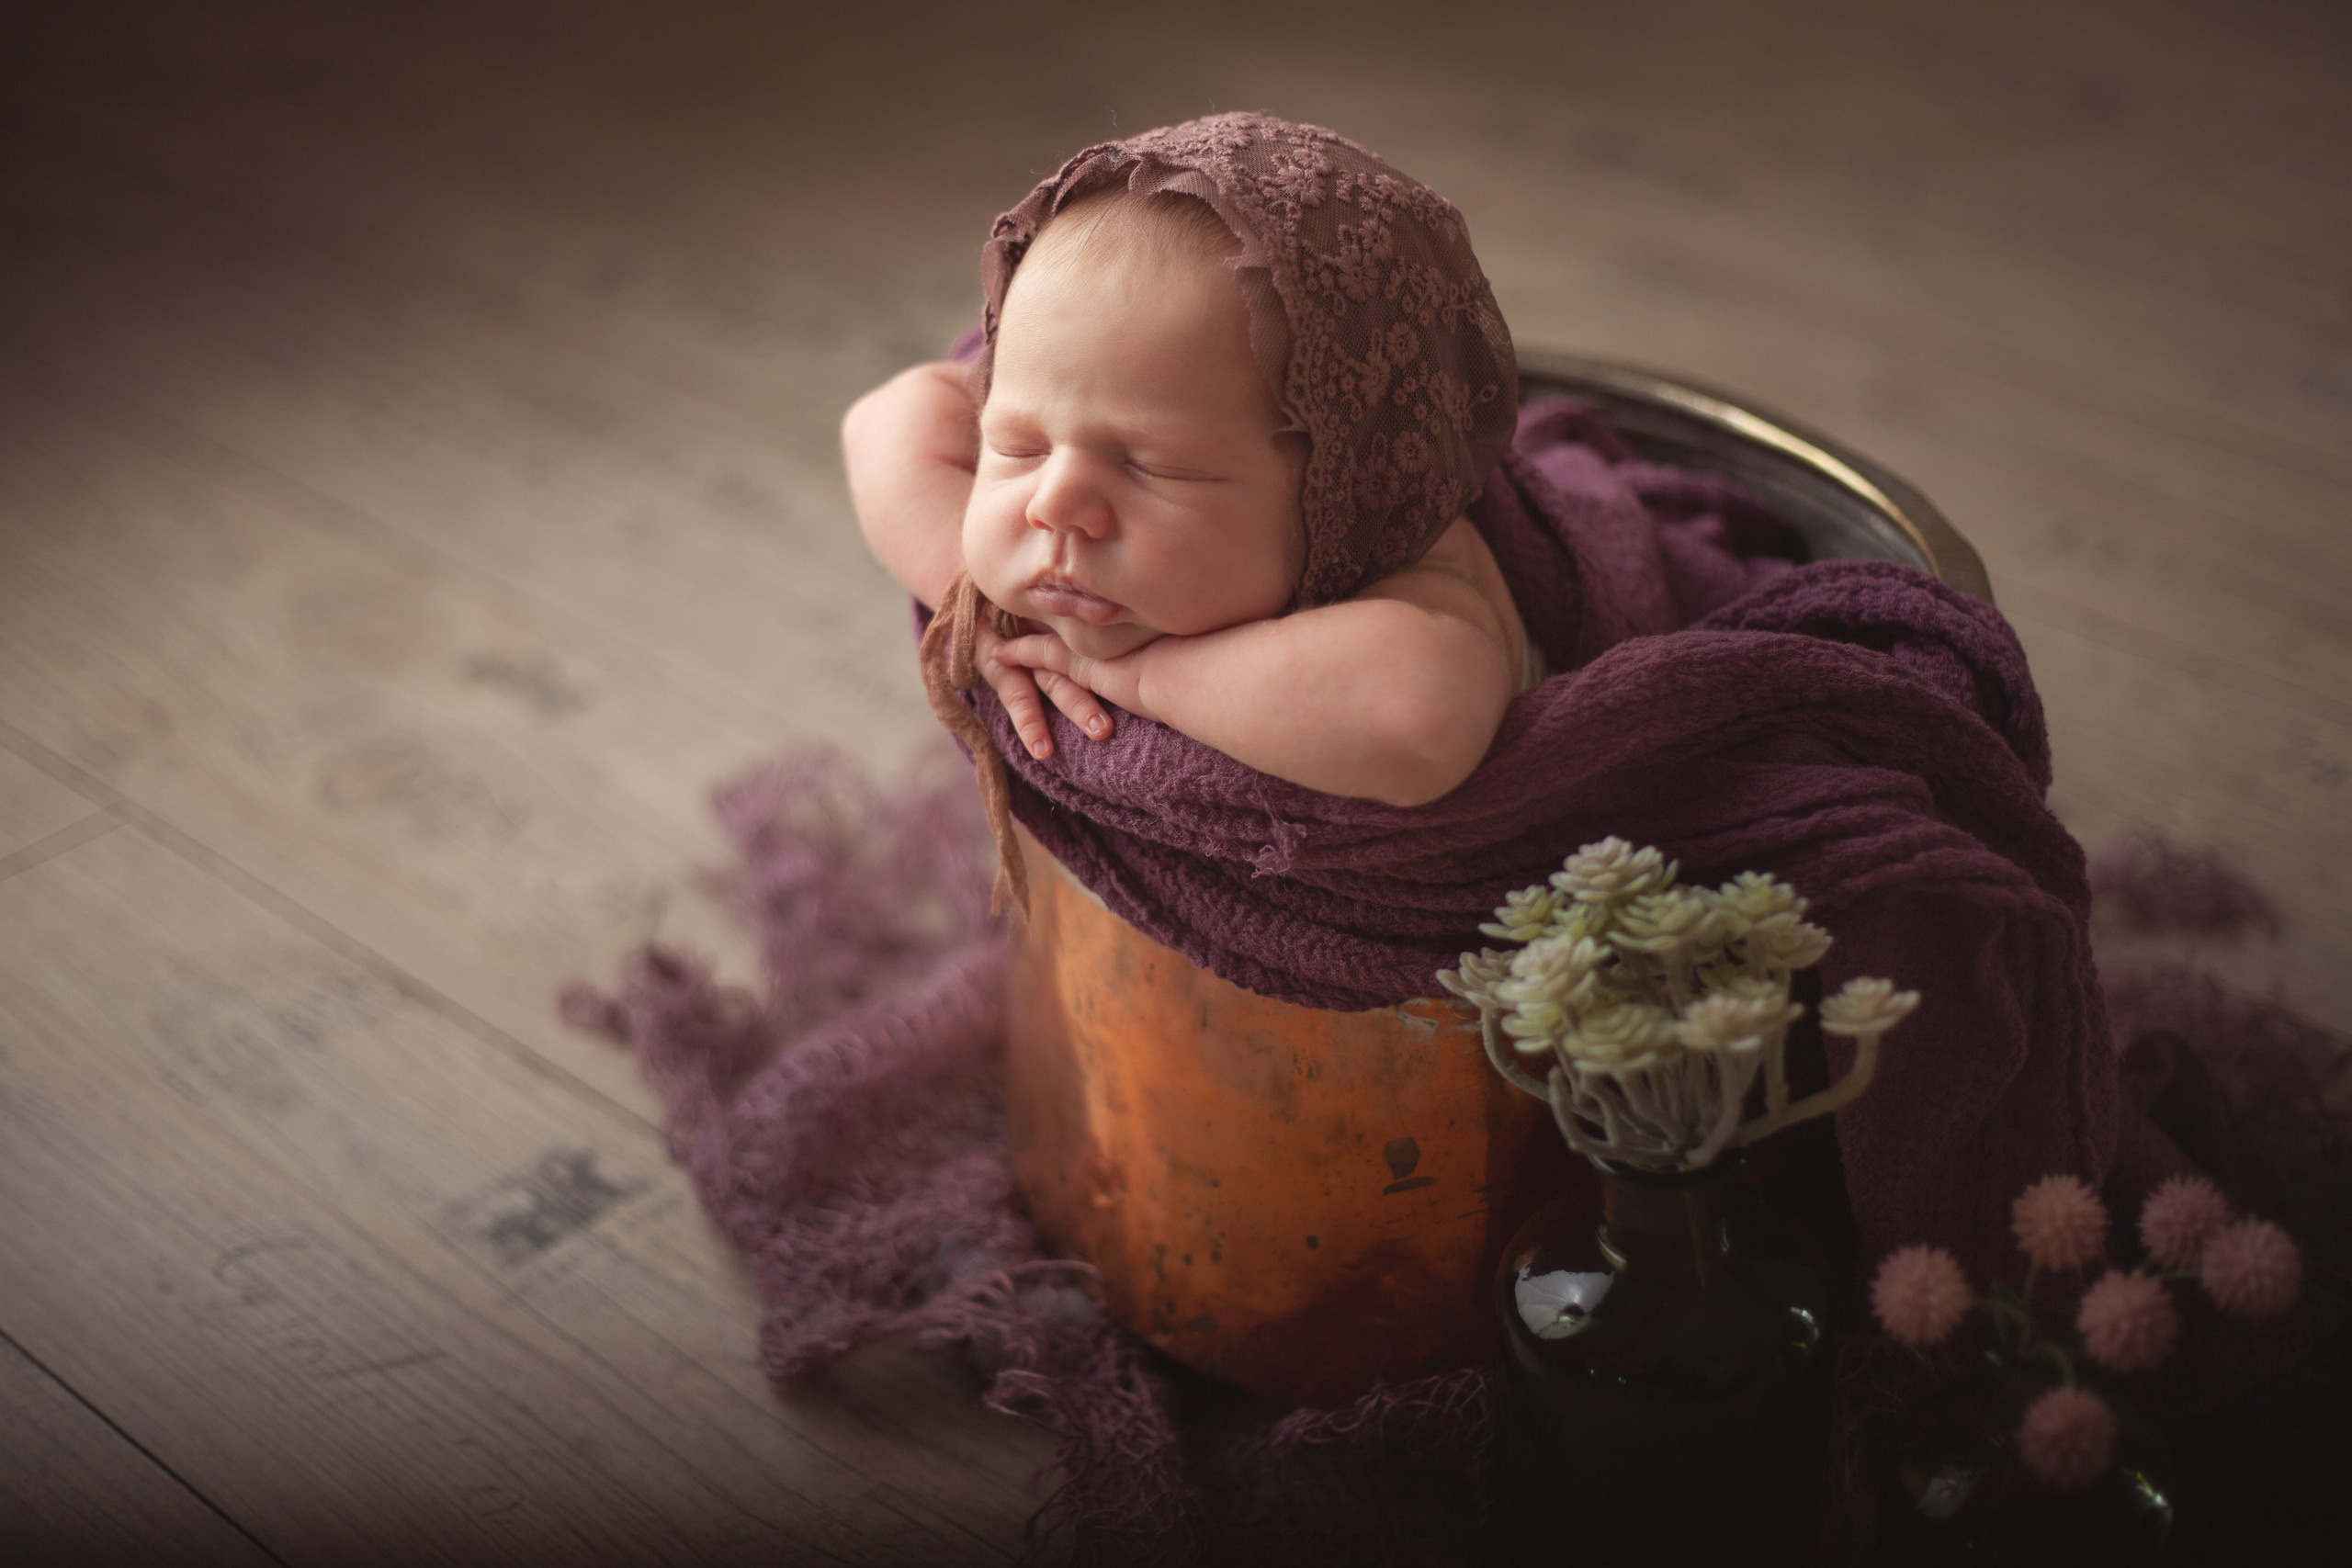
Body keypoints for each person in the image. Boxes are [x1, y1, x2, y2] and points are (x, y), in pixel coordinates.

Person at [842, 118, 1536, 812]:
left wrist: (1145, 680)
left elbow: (1418, 719)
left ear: (1342, 491)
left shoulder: (1401, 566)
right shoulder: (1097, 388)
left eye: (1155, 468)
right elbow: (880, 420)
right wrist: (976, 605)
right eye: (1020, 447)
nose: (1051, 504)